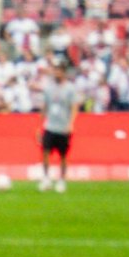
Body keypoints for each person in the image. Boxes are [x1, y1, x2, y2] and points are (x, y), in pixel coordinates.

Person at [37, 62, 76, 193]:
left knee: (63, 156)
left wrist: (71, 124)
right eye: (55, 71)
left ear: (64, 73)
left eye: (59, 71)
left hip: (63, 127)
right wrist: (39, 126)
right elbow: (45, 107)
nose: (56, 73)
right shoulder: (49, 88)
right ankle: (46, 178)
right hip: (50, 126)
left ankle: (62, 180)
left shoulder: (70, 88)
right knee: (45, 153)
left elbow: (74, 107)